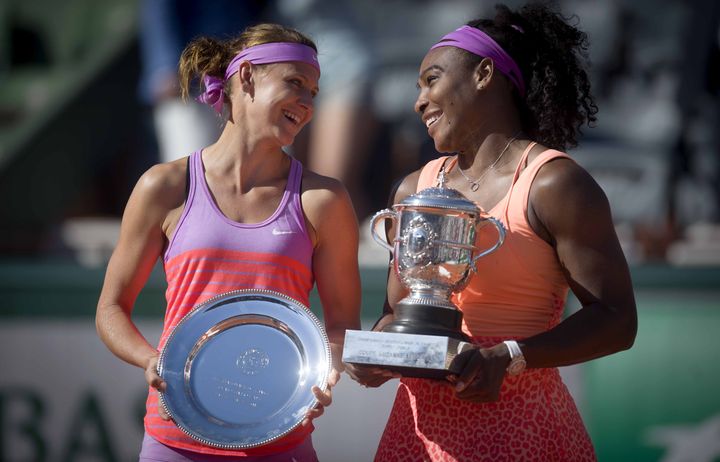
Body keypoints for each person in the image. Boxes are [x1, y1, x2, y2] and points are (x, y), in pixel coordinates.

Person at [347, 3, 638, 461]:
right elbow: (397, 311)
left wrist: (509, 357)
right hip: (418, 434)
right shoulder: (414, 187)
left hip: (523, 428)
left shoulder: (554, 183)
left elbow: (617, 321)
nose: (418, 101)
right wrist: (379, 353)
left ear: (484, 74)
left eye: (432, 80)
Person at [96, 23, 361, 461]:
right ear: (246, 78)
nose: (307, 103)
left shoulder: (324, 200)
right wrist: (150, 360)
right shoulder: (162, 186)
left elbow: (341, 325)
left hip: (282, 437)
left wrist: (324, 371)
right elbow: (110, 308)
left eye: (313, 91)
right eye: (294, 83)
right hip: (172, 440)